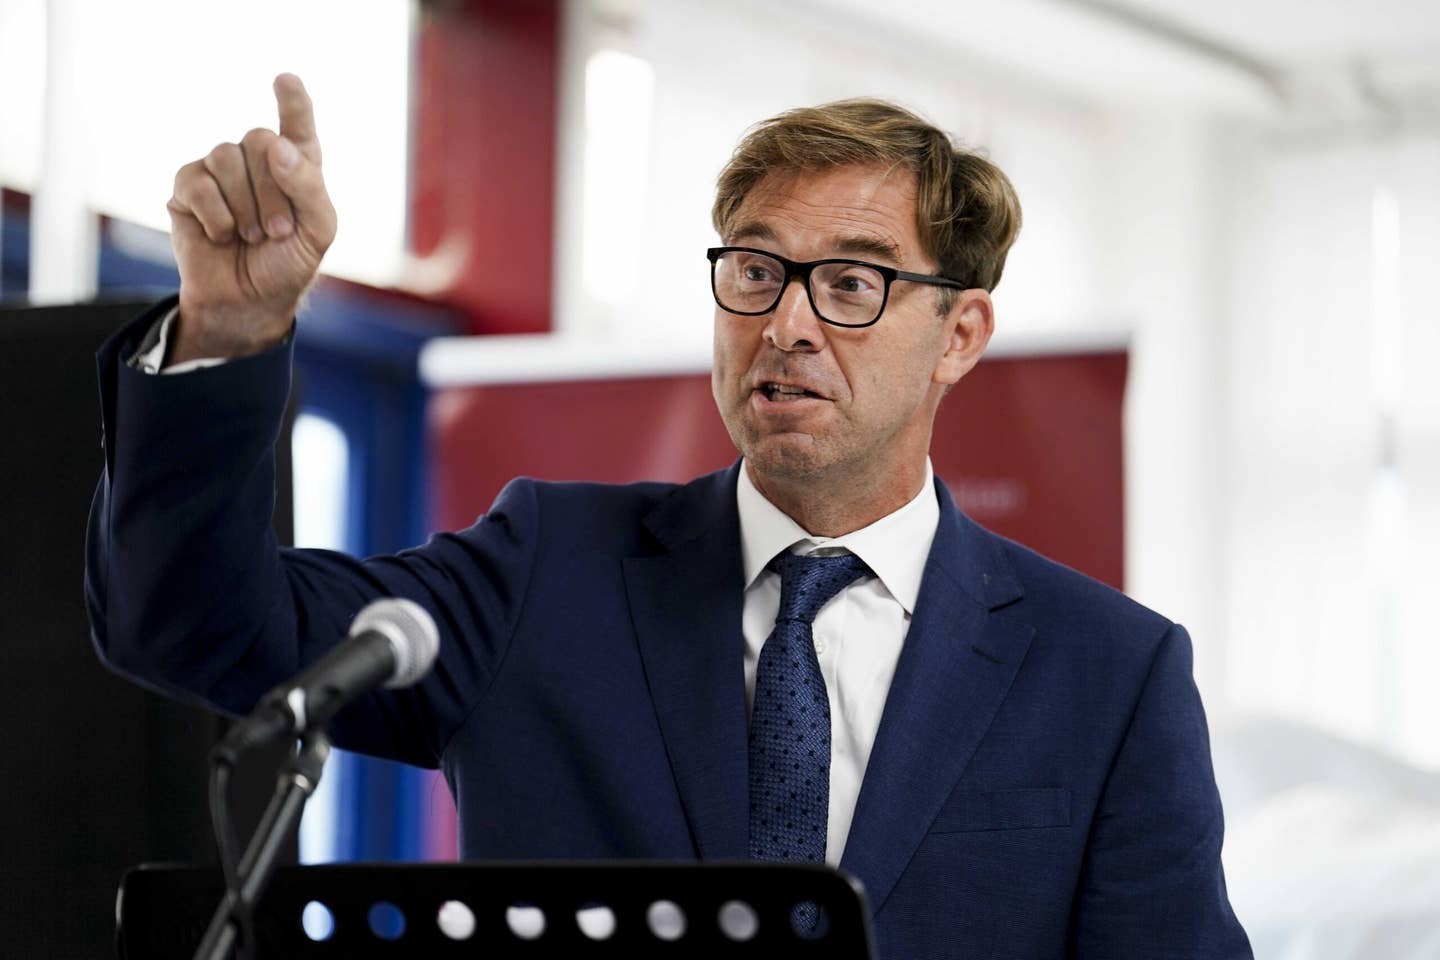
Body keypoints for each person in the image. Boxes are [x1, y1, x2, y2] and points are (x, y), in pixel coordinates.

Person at [86, 74, 1252, 958]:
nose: (788, 324)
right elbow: (196, 626)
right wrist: (229, 334)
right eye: (755, 271)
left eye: (852, 283)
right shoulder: (547, 571)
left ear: (960, 336)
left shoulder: (1109, 675)